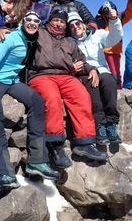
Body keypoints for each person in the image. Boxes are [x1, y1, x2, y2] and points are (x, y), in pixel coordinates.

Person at [0, 11, 59, 197]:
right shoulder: (10, 38)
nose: (32, 23)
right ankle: (2, 174)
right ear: (23, 22)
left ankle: (36, 161)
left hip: (13, 82)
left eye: (35, 20)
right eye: (29, 20)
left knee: (36, 101)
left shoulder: (32, 39)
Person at [27, 9, 108, 169]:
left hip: (65, 76)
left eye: (62, 22)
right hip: (41, 75)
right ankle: (56, 146)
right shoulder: (39, 34)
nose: (58, 23)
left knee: (82, 96)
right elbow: (24, 30)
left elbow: (80, 60)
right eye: (55, 20)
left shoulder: (69, 42)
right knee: (52, 99)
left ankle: (84, 143)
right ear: (49, 21)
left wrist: (91, 68)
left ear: (65, 26)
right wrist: (4, 29)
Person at [68, 9, 123, 145]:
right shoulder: (70, 43)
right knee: (92, 87)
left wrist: (114, 21)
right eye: (72, 26)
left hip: (102, 69)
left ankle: (111, 123)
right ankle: (100, 126)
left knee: (109, 82)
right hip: (84, 73)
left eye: (77, 23)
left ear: (83, 24)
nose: (76, 27)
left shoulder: (97, 35)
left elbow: (115, 37)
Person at [96, 0, 132, 88]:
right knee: (105, 74)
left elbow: (131, 12)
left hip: (115, 51)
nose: (108, 12)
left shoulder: (119, 17)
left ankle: (118, 91)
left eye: (111, 9)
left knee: (116, 74)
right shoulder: (98, 19)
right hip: (101, 52)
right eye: (106, 10)